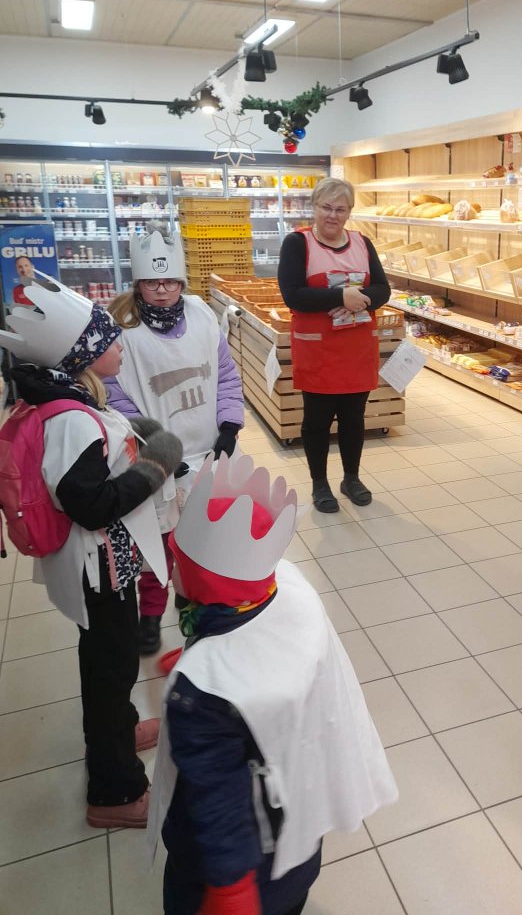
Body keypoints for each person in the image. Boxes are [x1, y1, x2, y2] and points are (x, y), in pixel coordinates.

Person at [148, 453, 398, 915]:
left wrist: (229, 890)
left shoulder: (200, 698)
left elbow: (217, 797)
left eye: (176, 560)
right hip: (297, 839)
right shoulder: (283, 588)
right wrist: (202, 649)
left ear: (199, 582)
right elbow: (244, 636)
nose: (169, 568)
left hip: (235, 874)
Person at [0, 274, 183, 829]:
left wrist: (140, 436)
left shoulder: (68, 401)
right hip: (99, 569)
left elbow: (102, 447)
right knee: (109, 670)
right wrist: (155, 467)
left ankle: (119, 731)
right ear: (81, 356)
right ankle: (115, 790)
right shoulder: (73, 419)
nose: (120, 345)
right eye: (109, 341)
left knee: (112, 661)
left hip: (104, 567)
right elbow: (92, 504)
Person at [106, 221, 245, 656]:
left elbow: (225, 375)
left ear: (182, 282)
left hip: (206, 453)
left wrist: (229, 425)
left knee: (203, 537)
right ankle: (151, 614)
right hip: (154, 457)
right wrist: (154, 446)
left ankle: (198, 604)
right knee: (157, 544)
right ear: (138, 283)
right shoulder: (123, 329)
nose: (162, 290)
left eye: (170, 282)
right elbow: (113, 395)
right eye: (152, 282)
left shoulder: (202, 316)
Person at [277, 177, 390, 514]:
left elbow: (382, 289)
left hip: (357, 349)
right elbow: (293, 294)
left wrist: (359, 299)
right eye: (326, 207)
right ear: (314, 207)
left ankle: (351, 478)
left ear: (349, 212)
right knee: (317, 421)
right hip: (318, 351)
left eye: (341, 209)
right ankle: (320, 483)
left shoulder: (362, 243)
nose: (333, 215)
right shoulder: (297, 244)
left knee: (354, 418)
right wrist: (341, 296)